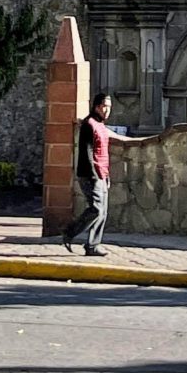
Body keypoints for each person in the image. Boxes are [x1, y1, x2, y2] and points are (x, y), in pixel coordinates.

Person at [64, 90, 116, 256]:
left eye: (109, 107)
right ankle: (70, 232)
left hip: (101, 173)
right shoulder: (89, 124)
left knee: (103, 211)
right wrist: (94, 176)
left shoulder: (101, 125)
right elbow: (87, 152)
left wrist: (106, 175)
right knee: (96, 209)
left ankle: (93, 245)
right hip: (89, 174)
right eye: (103, 107)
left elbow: (103, 152)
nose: (106, 110)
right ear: (96, 107)